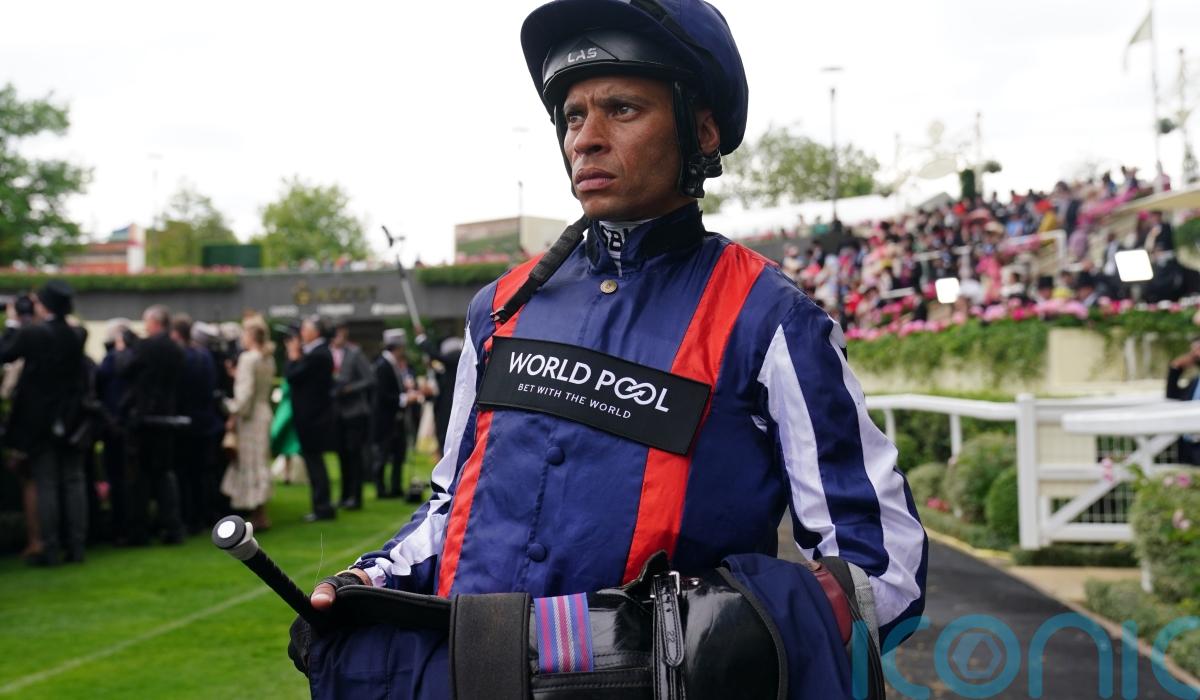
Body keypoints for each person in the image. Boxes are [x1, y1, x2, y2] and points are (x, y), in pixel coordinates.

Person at [301, 2, 926, 697]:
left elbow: (884, 570)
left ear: (702, 130)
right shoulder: (499, 307)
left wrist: (699, 642)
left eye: (622, 109)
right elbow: (451, 505)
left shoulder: (773, 318)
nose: (586, 139)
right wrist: (370, 577)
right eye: (573, 116)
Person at [0, 281, 88, 565]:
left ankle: (49, 547)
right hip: (72, 417)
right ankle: (76, 546)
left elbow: (5, 352)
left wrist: (13, 323)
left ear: (45, 305)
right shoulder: (77, 333)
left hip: (39, 420)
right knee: (73, 482)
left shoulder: (33, 334)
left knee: (45, 483)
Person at [117, 304, 187, 545]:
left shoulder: (146, 347)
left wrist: (125, 348)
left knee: (139, 477)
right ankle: (172, 526)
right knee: (165, 474)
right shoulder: (176, 349)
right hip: (167, 416)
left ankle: (138, 531)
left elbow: (124, 370)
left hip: (144, 418)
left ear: (155, 323)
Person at [221, 323, 276, 529]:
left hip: (250, 417)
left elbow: (245, 394)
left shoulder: (248, 358)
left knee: (250, 463)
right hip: (264, 412)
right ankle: (261, 512)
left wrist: (231, 408)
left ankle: (257, 514)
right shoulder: (267, 358)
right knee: (260, 462)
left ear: (251, 336)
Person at [284, 316, 337, 522]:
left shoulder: (318, 354)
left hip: (313, 418)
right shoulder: (317, 352)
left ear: (316, 332)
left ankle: (322, 506)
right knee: (314, 462)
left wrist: (292, 355)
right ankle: (321, 505)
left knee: (315, 463)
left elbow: (292, 376)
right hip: (312, 417)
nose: (301, 333)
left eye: (305, 329)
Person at [369, 329, 422, 499]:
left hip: (395, 418)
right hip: (385, 418)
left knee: (399, 452)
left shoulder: (392, 364)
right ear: (397, 348)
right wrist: (405, 398)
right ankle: (381, 488)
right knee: (383, 454)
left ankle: (395, 486)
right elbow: (382, 394)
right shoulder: (382, 365)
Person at [330, 320, 375, 510]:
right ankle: (344, 495)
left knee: (354, 454)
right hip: (337, 412)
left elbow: (370, 379)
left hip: (355, 412)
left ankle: (356, 497)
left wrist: (350, 389)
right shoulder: (327, 353)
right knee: (342, 455)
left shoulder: (355, 353)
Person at [1167, 337, 1200, 465]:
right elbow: (1172, 395)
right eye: (1193, 350)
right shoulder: (1195, 381)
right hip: (1189, 446)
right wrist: (1176, 368)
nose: (1195, 354)